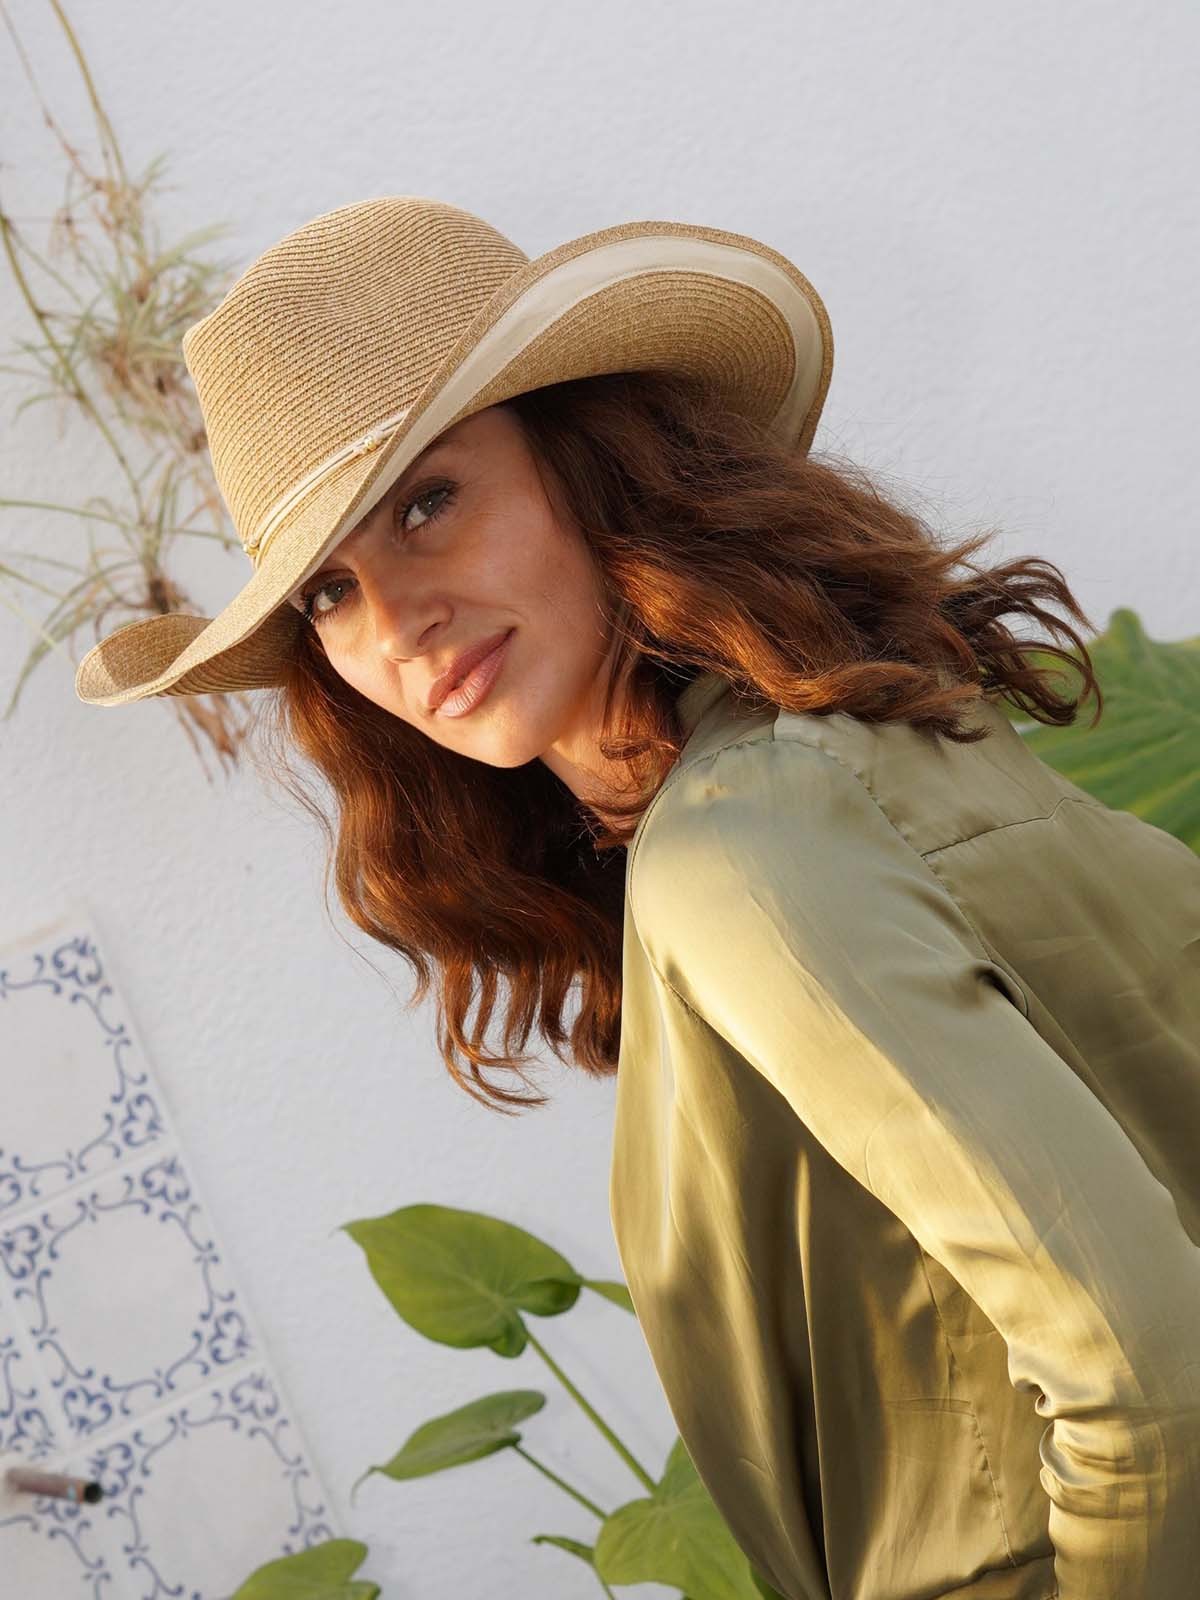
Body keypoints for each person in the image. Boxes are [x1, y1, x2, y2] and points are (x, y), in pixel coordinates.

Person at [74, 196, 1200, 1600]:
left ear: (584, 456)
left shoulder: (738, 852)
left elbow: (1147, 1374)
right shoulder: (868, 736)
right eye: (332, 594)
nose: (398, 623)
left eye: (428, 503)